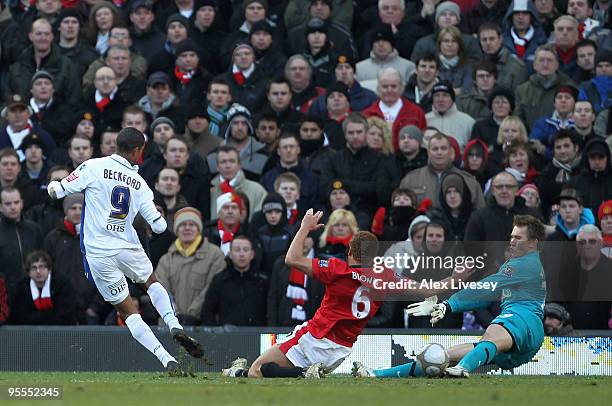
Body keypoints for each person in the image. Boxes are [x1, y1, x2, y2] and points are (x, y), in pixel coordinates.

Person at [46, 127, 203, 373]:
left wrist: (52, 186)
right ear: (139, 151)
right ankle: (174, 324)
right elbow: (159, 226)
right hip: (128, 246)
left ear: (116, 145)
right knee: (151, 282)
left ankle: (165, 359)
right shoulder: (139, 182)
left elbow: (58, 190)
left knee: (127, 311)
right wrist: (157, 221)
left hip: (99, 253)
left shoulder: (93, 167)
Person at [362, 215, 546, 378]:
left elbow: (486, 288)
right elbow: (484, 297)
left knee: (490, 336)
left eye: (518, 237)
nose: (512, 241)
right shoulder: (526, 266)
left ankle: (462, 369)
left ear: (533, 243)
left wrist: (448, 305)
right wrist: (447, 304)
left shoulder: (522, 264)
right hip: (526, 336)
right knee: (439, 358)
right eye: (511, 236)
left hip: (523, 320)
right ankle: (377, 374)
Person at [221, 210, 384, 378]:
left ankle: (303, 373)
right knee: (271, 373)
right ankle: (239, 372)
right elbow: (411, 286)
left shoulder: (337, 269)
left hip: (316, 337)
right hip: (340, 351)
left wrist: (304, 227)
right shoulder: (385, 279)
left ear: (349, 252)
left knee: (257, 369)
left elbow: (291, 258)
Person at [155, 207, 226, 325]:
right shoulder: (166, 259)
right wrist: (175, 316)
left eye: (192, 224)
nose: (187, 228)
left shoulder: (215, 255)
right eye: (182, 225)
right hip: (170, 325)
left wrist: (192, 315)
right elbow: (161, 292)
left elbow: (211, 289)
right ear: (177, 230)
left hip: (202, 325)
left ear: (199, 229)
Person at [9, 250, 78, 325]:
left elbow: (64, 315)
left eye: (42, 267)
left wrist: (35, 316)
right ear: (28, 272)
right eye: (34, 268)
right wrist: (50, 313)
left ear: (49, 269)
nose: (38, 271)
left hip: (59, 332)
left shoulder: (63, 285)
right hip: (30, 333)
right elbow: (19, 317)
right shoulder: (21, 287)